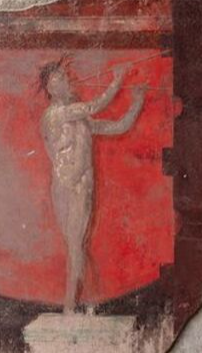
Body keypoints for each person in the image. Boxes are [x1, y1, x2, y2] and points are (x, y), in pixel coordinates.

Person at [40, 58, 145, 313]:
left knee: (77, 245)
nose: (67, 80)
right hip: (64, 185)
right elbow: (95, 105)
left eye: (66, 76)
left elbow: (118, 126)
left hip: (82, 186)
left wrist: (137, 102)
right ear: (51, 87)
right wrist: (117, 80)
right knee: (75, 246)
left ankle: (72, 306)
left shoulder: (81, 120)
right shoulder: (54, 114)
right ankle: (75, 305)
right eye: (60, 78)